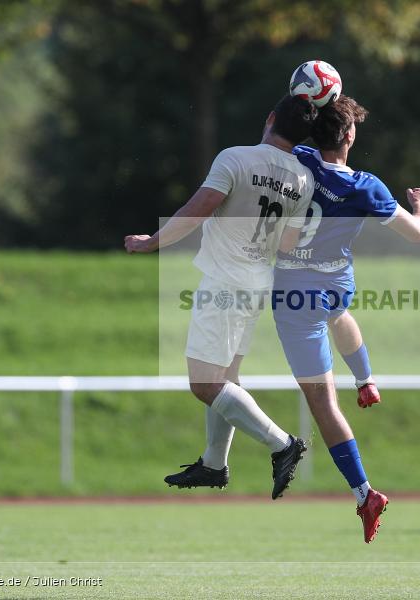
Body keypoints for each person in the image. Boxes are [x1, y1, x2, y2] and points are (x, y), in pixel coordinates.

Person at [124, 94, 317, 500]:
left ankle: (283, 444)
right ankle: (214, 462)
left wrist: (152, 243)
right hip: (256, 284)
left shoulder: (236, 158)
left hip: (225, 282)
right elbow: (289, 243)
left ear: (269, 119)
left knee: (205, 383)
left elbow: (198, 209)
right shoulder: (304, 178)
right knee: (226, 378)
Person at [272, 95, 420, 542]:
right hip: (335, 284)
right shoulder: (367, 187)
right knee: (339, 313)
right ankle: (366, 380)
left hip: (296, 294)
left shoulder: (297, 159)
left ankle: (365, 494)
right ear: (349, 136)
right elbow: (417, 234)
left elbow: (273, 139)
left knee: (323, 405)